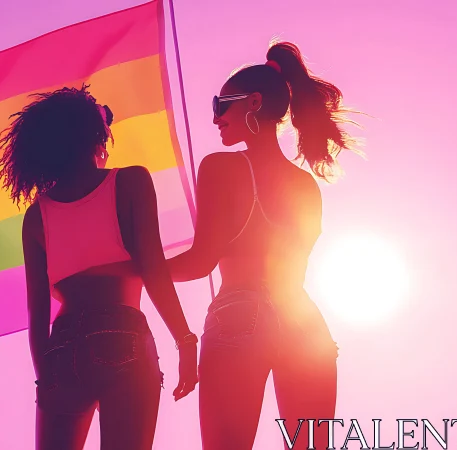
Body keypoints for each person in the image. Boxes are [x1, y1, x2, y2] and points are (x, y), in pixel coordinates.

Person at [86, 40, 363, 449]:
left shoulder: (221, 166)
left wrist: (134, 268)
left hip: (240, 314)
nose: (215, 118)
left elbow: (201, 262)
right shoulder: (306, 185)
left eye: (221, 105)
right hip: (306, 325)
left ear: (252, 103)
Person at [0, 85, 199, 450]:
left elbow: (37, 314)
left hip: (62, 346)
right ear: (95, 134)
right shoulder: (130, 181)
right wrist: (185, 340)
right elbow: (154, 270)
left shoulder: (36, 216)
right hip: (123, 334)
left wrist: (48, 381)